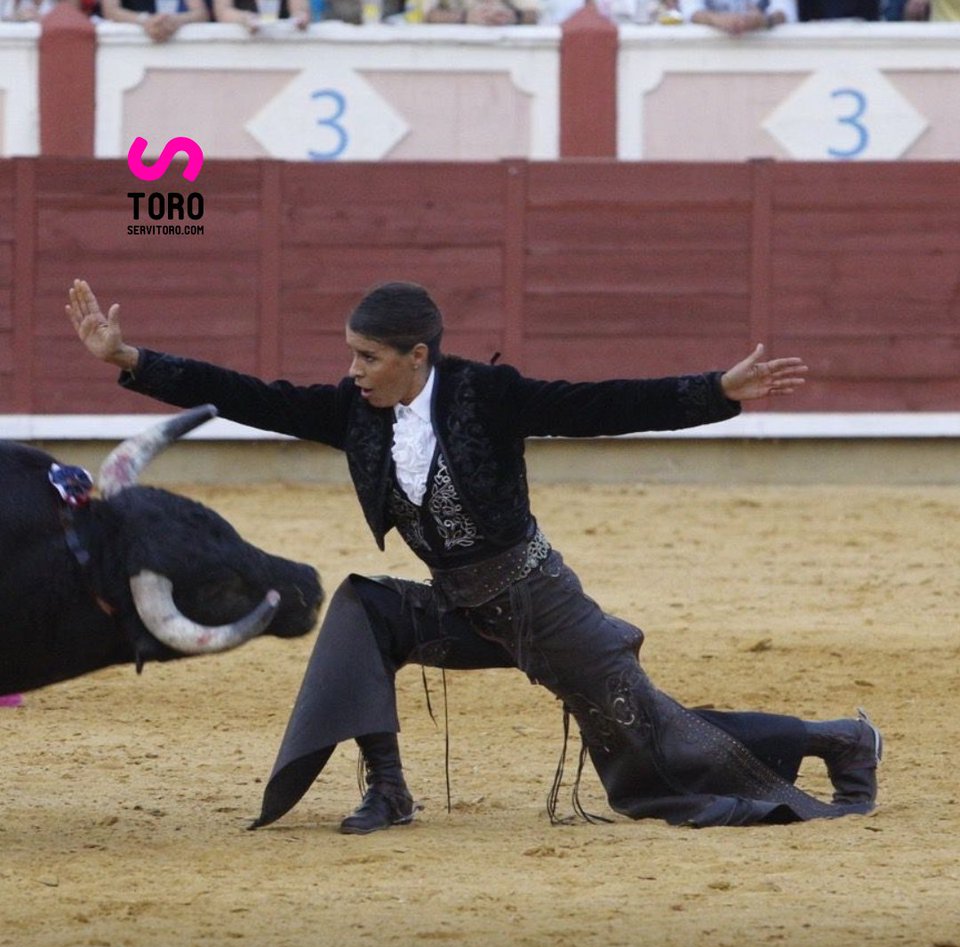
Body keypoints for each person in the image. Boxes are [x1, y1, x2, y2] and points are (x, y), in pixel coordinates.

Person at [67, 278, 882, 835]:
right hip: (460, 605)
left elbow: (599, 407)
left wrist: (715, 391)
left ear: (415, 354)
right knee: (365, 610)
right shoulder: (357, 416)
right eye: (350, 355)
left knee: (657, 748)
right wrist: (132, 360)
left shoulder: (486, 397)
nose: (353, 373)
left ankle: (839, 739)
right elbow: (254, 395)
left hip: (542, 605)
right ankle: (387, 790)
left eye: (368, 358)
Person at [100, 0, 207, 41]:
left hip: (181, 49)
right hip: (133, 46)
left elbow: (201, 13)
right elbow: (110, 11)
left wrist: (176, 20)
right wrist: (145, 20)